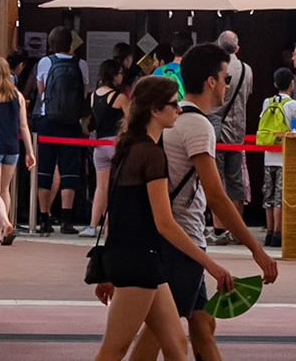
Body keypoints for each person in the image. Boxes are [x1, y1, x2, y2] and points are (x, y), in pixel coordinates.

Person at [129, 44, 279, 361]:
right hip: (181, 242)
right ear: (211, 81)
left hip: (168, 238)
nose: (228, 85)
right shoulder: (199, 126)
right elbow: (217, 198)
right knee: (159, 331)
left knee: (202, 323)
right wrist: (256, 250)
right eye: (226, 78)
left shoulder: (174, 119)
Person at [91, 76, 232, 361]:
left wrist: (108, 268)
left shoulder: (130, 147)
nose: (179, 110)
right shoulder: (151, 154)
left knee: (176, 343)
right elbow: (165, 223)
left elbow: (116, 213)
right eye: (173, 105)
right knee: (114, 349)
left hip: (137, 258)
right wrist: (211, 265)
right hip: (140, 261)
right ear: (155, 110)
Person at [34, 26, 88, 235]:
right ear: (70, 43)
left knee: (45, 169)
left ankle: (44, 218)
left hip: (48, 120)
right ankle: (66, 220)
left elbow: (41, 91)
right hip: (72, 122)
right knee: (69, 170)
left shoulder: (45, 62)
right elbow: (84, 93)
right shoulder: (81, 64)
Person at [0, 56, 35, 245]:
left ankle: (5, 222)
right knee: (5, 189)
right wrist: (30, 151)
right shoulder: (18, 96)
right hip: (13, 146)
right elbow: (23, 125)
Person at [211, 31, 253, 222]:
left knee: (217, 181)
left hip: (217, 130)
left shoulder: (216, 69)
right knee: (236, 181)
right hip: (238, 132)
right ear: (237, 48)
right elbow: (248, 95)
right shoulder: (246, 69)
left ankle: (220, 228)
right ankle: (237, 226)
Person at [85, 59, 129, 237]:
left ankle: (92, 225)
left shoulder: (93, 96)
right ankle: (111, 224)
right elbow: (131, 120)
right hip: (116, 144)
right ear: (114, 75)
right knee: (117, 186)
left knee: (100, 187)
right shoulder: (120, 97)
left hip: (99, 145)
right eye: (120, 73)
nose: (122, 77)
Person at [256, 67, 292, 247]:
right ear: (292, 84)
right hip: (284, 157)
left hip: (268, 155)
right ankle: (278, 233)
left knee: (268, 196)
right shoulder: (293, 105)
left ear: (275, 84)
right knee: (280, 197)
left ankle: (269, 232)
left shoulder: (266, 102)